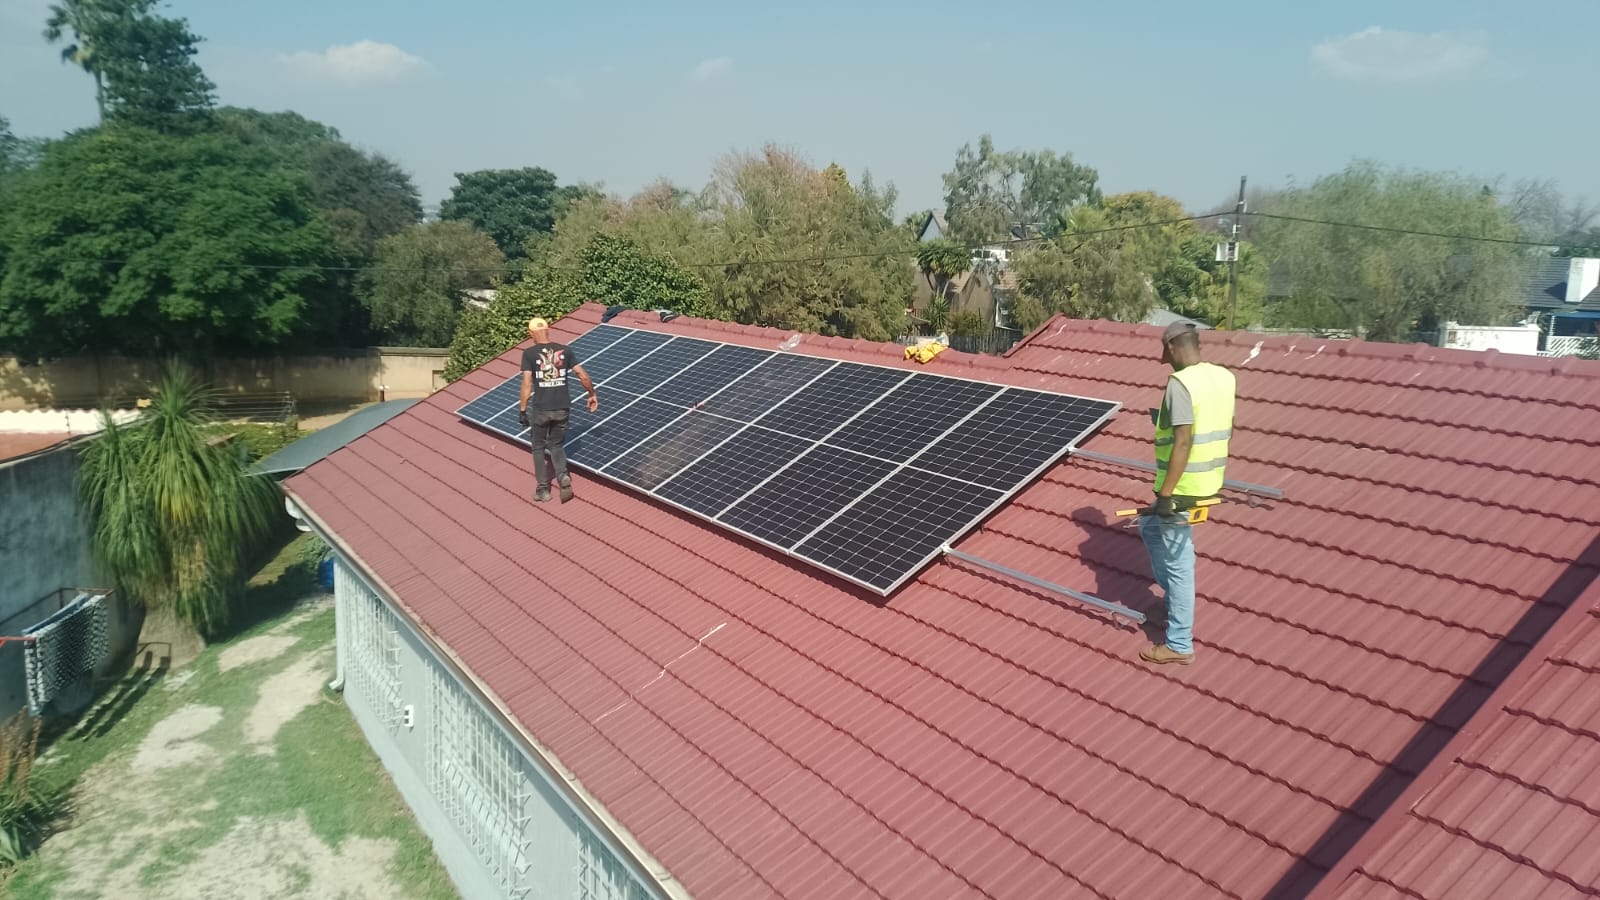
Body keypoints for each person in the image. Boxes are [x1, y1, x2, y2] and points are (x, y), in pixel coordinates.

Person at [1139, 321, 1236, 666]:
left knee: (1179, 564)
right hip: (1208, 480)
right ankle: (1173, 600)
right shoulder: (1223, 377)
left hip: (1182, 489)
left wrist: (1166, 495)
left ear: (1172, 347)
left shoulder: (1180, 384)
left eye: (1165, 352)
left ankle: (1179, 643)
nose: (1164, 359)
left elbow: (1183, 441)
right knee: (1148, 527)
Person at [518, 317, 598, 503]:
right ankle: (562, 476)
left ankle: (543, 490)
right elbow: (582, 374)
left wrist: (522, 409)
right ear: (548, 330)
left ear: (531, 334)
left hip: (541, 409)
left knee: (538, 446)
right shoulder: (566, 350)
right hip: (562, 408)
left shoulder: (529, 354)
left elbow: (527, 383)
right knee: (556, 444)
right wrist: (592, 394)